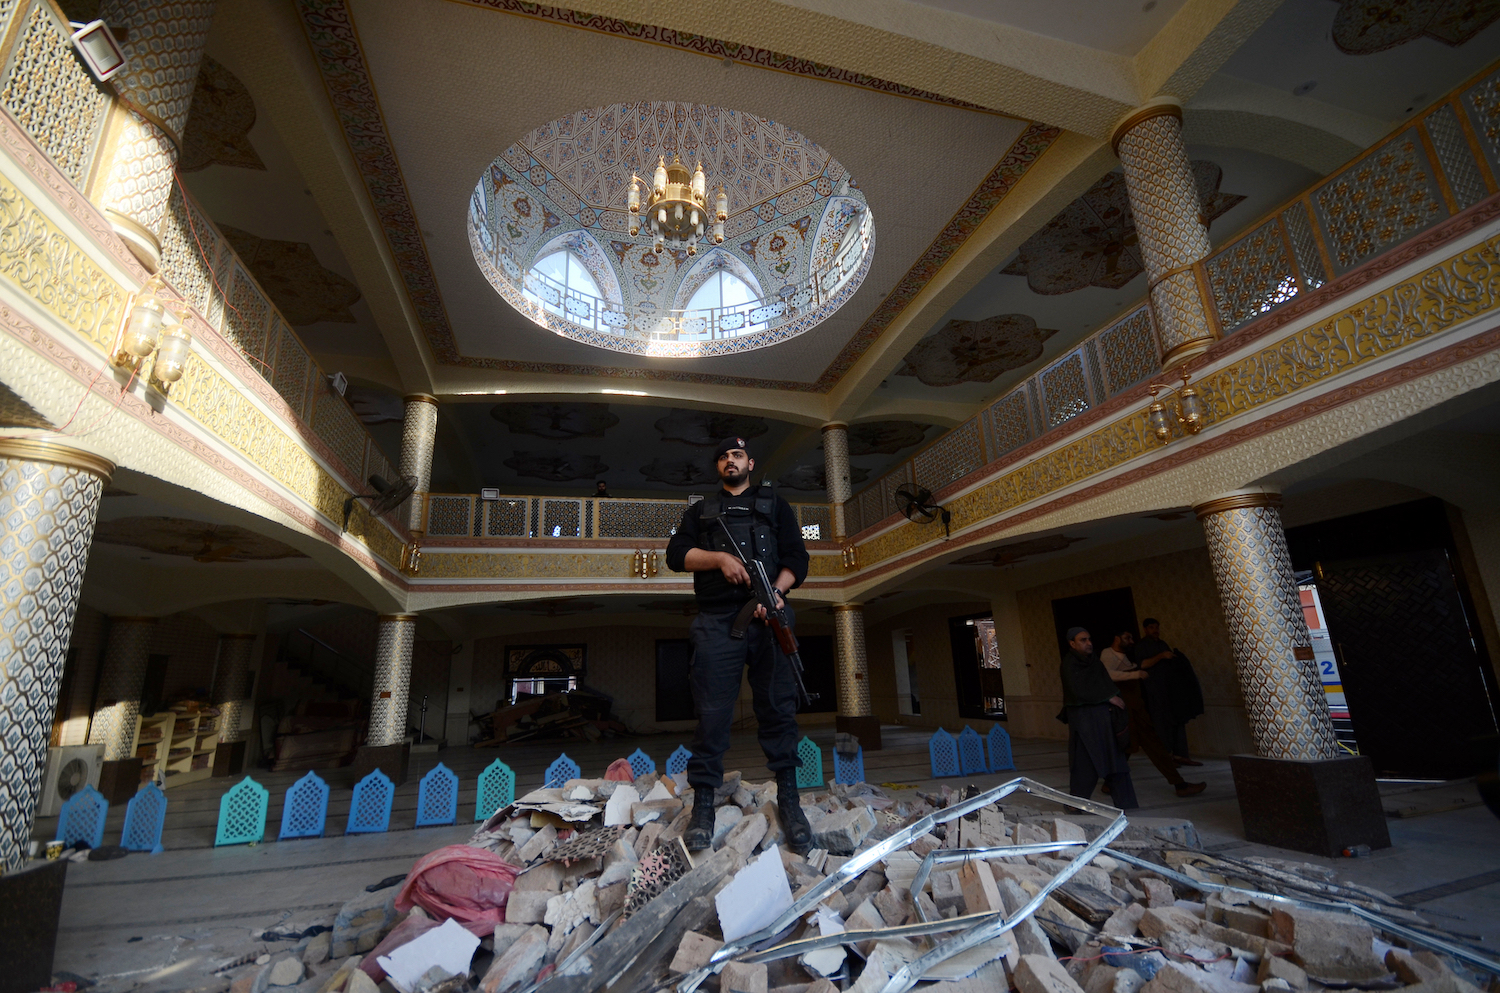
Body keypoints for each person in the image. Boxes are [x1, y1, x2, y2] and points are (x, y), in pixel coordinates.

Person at [665, 436, 814, 853]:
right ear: (719, 468)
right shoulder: (701, 512)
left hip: (771, 618)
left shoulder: (775, 505)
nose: (730, 461)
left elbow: (797, 558)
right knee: (711, 715)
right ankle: (703, 810)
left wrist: (776, 594)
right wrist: (719, 560)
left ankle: (790, 802)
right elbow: (675, 554)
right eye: (723, 457)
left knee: (779, 710)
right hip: (717, 622)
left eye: (736, 455)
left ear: (750, 461)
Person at [1104, 629, 1206, 797]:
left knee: (1145, 747)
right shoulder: (1107, 654)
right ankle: (1179, 785)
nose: (1130, 641)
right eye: (1127, 638)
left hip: (1137, 710)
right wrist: (1136, 674)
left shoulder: (1127, 656)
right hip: (1127, 712)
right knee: (1136, 747)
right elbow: (1109, 675)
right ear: (1117, 638)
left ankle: (1178, 784)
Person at [1059, 626, 1138, 808]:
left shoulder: (1094, 661)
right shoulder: (1070, 664)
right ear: (1072, 644)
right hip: (1084, 723)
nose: (1089, 643)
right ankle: (1075, 804)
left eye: (1089, 639)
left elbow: (1105, 683)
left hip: (1103, 721)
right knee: (1085, 764)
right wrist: (1108, 697)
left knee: (1115, 761)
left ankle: (1126, 804)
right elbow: (1077, 690)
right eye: (1083, 640)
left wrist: (1111, 698)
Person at [1132, 618, 1205, 766]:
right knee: (1161, 723)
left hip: (1170, 689)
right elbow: (1142, 664)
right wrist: (1160, 656)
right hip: (1154, 690)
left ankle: (1181, 755)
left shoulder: (1162, 644)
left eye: (1157, 627)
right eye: (1151, 627)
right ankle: (1165, 758)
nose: (1155, 630)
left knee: (1177, 719)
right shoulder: (1142, 646)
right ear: (1146, 629)